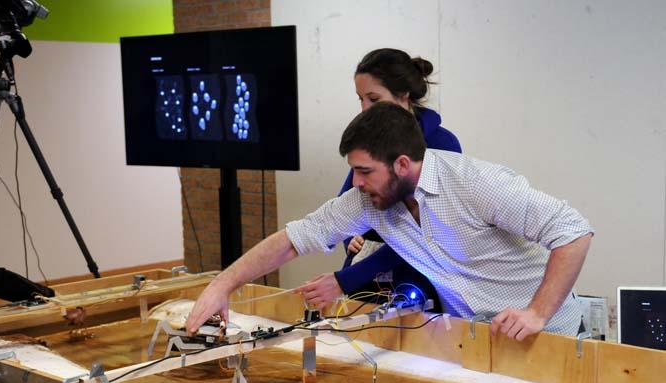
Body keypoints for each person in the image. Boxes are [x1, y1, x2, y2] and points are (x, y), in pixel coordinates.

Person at [187, 103, 593, 341]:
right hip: (478, 336)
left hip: (548, 334)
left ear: (402, 163)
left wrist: (537, 312)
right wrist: (223, 285)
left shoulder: (477, 184)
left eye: (365, 171)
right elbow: (295, 238)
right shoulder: (367, 201)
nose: (357, 182)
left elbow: (573, 231)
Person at [300, 48, 462, 311]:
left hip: (415, 279)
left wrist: (346, 278)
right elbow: (346, 204)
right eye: (360, 99)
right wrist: (349, 237)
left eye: (374, 99)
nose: (365, 109)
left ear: (404, 96)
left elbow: (423, 234)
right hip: (367, 278)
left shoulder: (443, 145)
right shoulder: (371, 140)